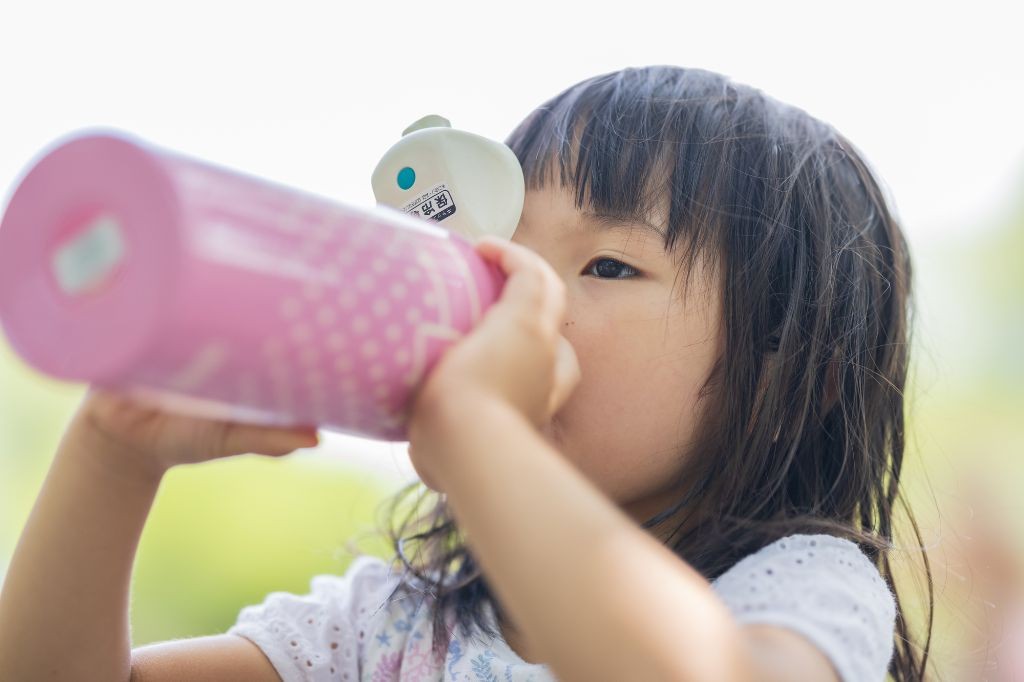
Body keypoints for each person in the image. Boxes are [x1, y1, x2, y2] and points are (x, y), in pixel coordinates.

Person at [0, 65, 933, 681]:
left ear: (795, 382)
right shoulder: (394, 626)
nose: (505, 295)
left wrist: (480, 427)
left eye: (608, 266)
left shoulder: (804, 588)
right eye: (497, 251)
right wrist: (110, 461)